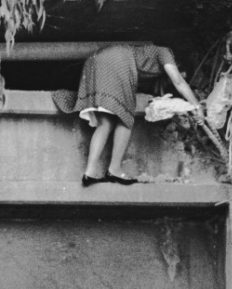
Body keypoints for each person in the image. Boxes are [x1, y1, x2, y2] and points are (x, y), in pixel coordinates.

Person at [52, 43, 200, 186]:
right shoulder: (165, 52)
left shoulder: (149, 58)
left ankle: (89, 173)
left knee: (106, 123)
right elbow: (178, 82)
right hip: (118, 61)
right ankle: (114, 170)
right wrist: (196, 105)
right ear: (178, 62)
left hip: (96, 60)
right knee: (125, 118)